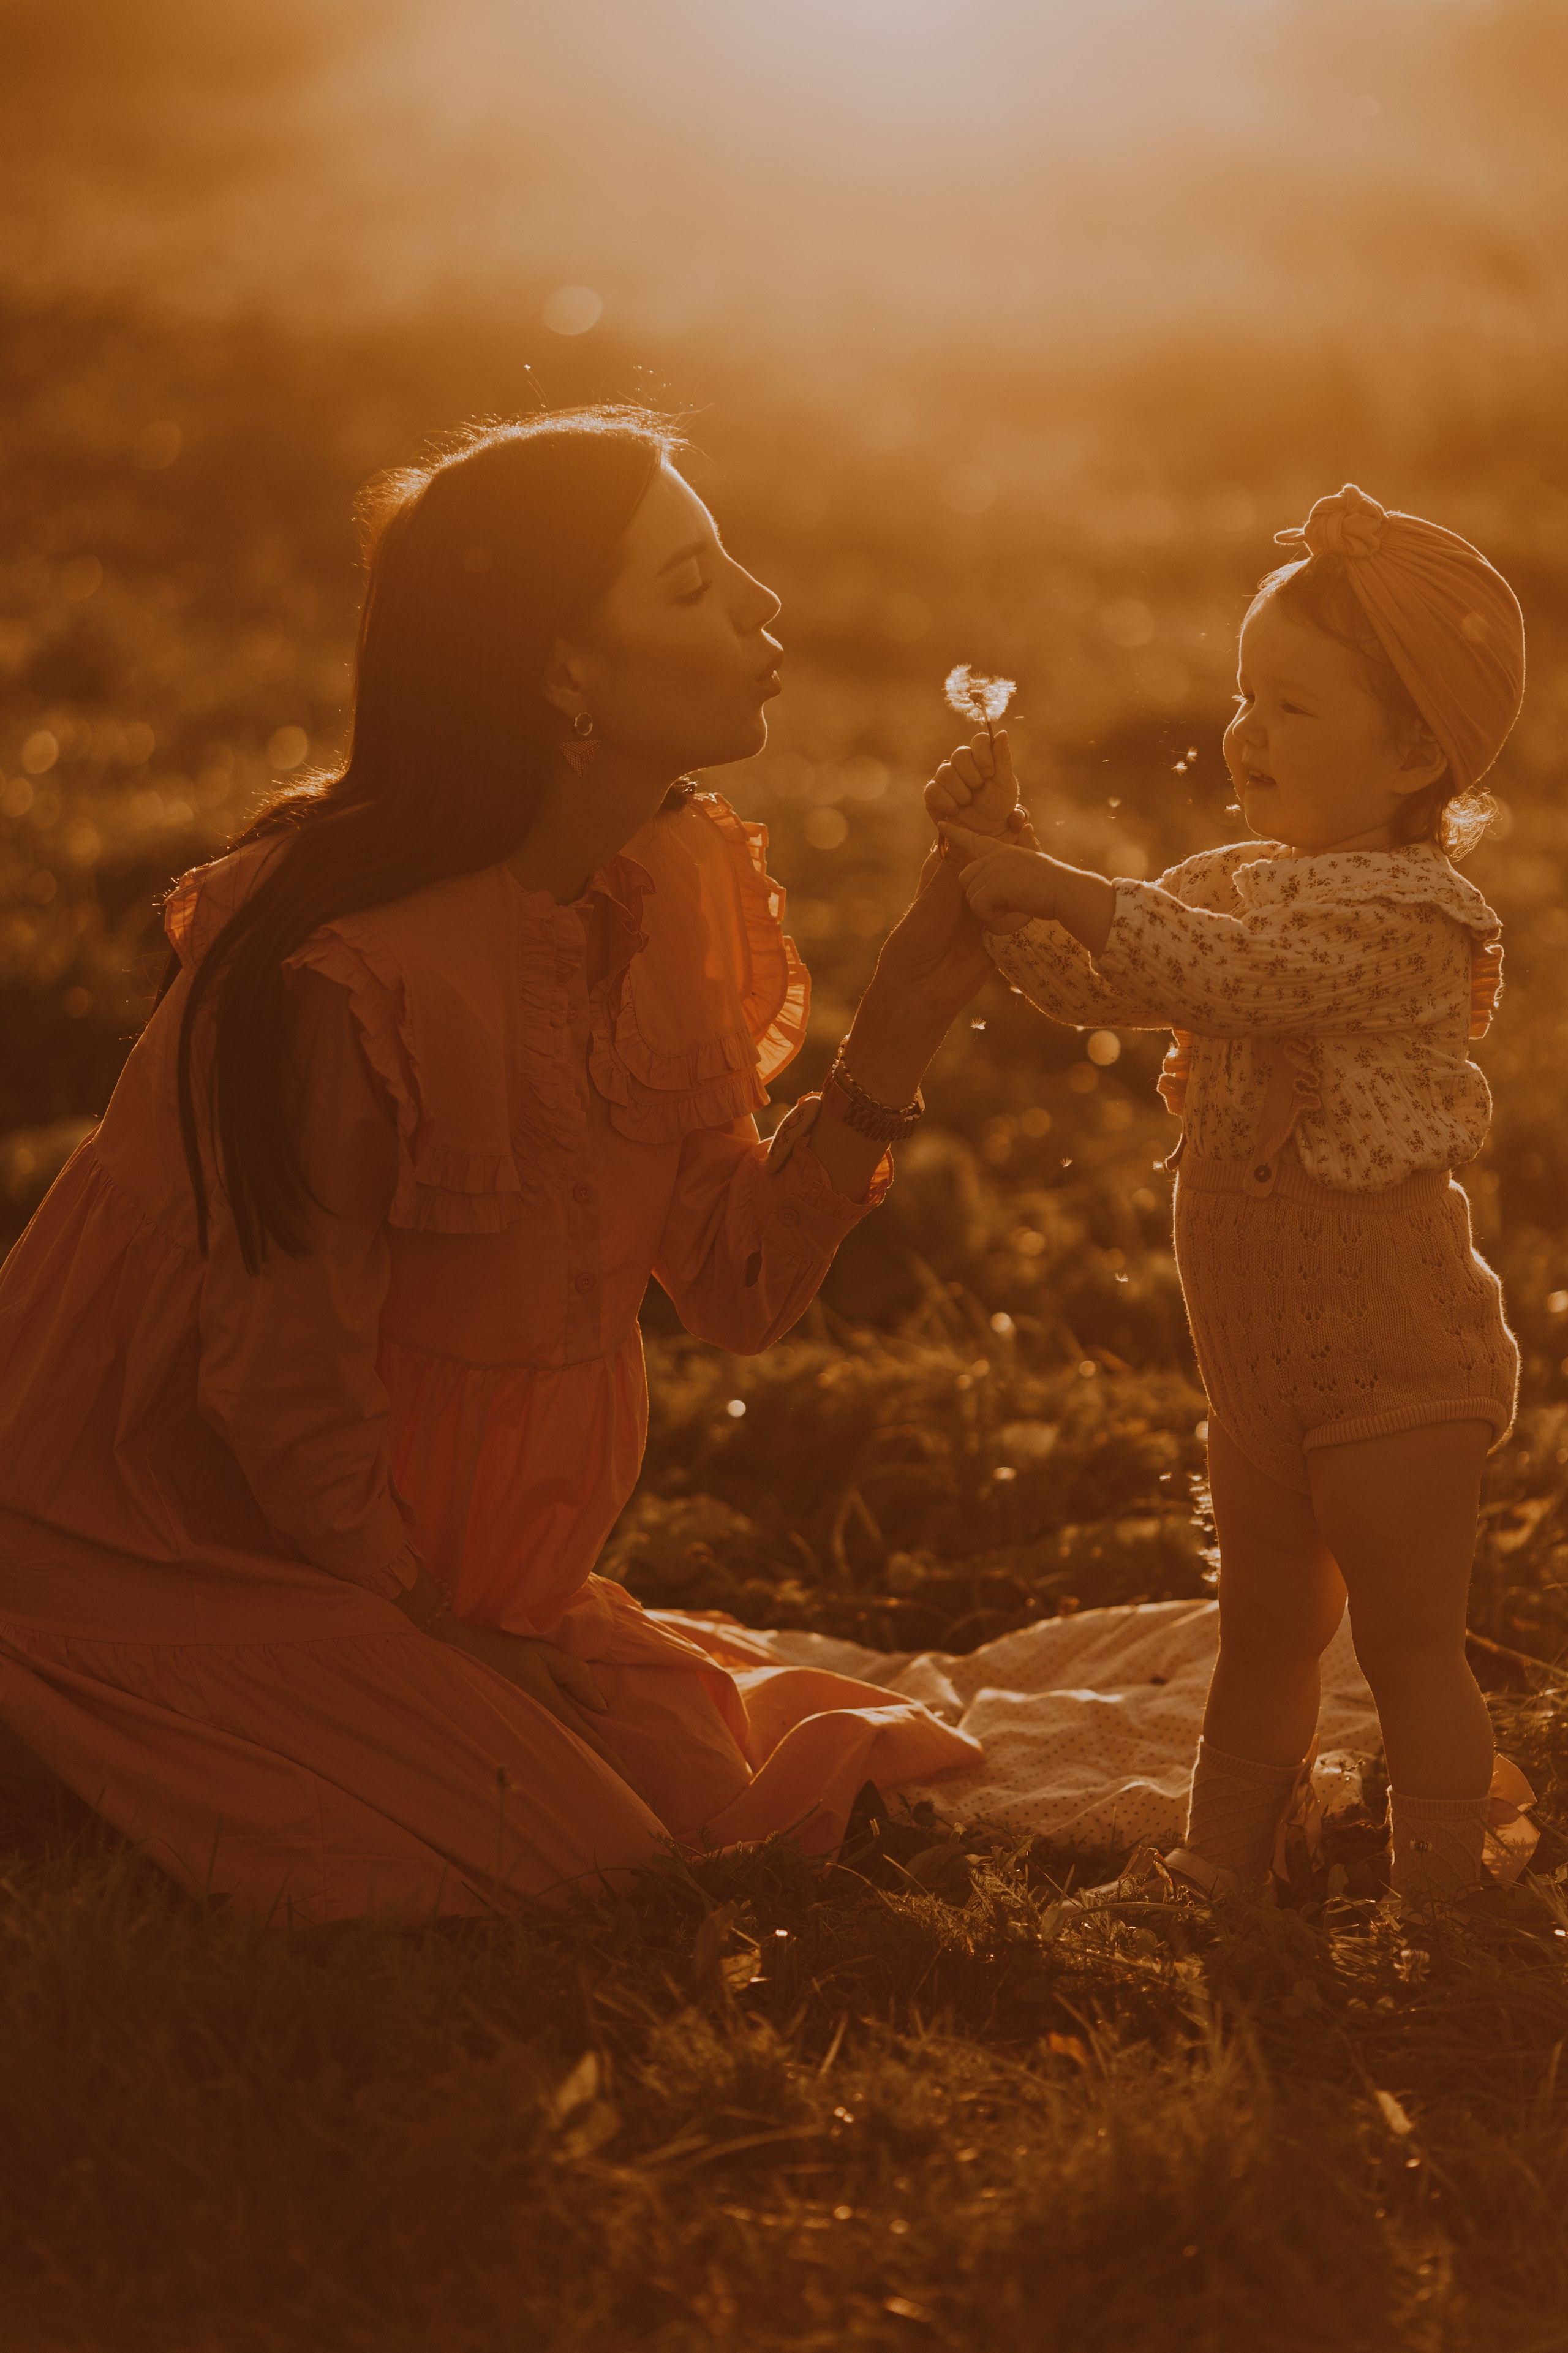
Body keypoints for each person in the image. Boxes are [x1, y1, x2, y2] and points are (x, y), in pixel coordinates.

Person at [0, 407, 986, 1922]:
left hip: (464, 1566)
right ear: (559, 669)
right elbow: (278, 1387)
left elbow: (734, 1287)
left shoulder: (670, 884)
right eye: (686, 583)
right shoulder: (344, 971)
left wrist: (906, 1016)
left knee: (703, 1805)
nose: (758, 607)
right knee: (580, 1871)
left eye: (727, 566)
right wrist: (433, 1635)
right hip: (174, 1532)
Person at [929, 482, 1530, 1909]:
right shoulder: (1243, 881)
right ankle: (1221, 1870)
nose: (1245, 733)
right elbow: (1109, 977)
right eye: (1243, 694)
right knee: (1262, 1628)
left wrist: (1067, 885)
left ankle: (1442, 1913)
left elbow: (1221, 979)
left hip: (1391, 1364)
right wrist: (1001, 875)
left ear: (1411, 753)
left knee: (1403, 1644)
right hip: (1259, 1368)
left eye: (1295, 708)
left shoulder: (1404, 923)